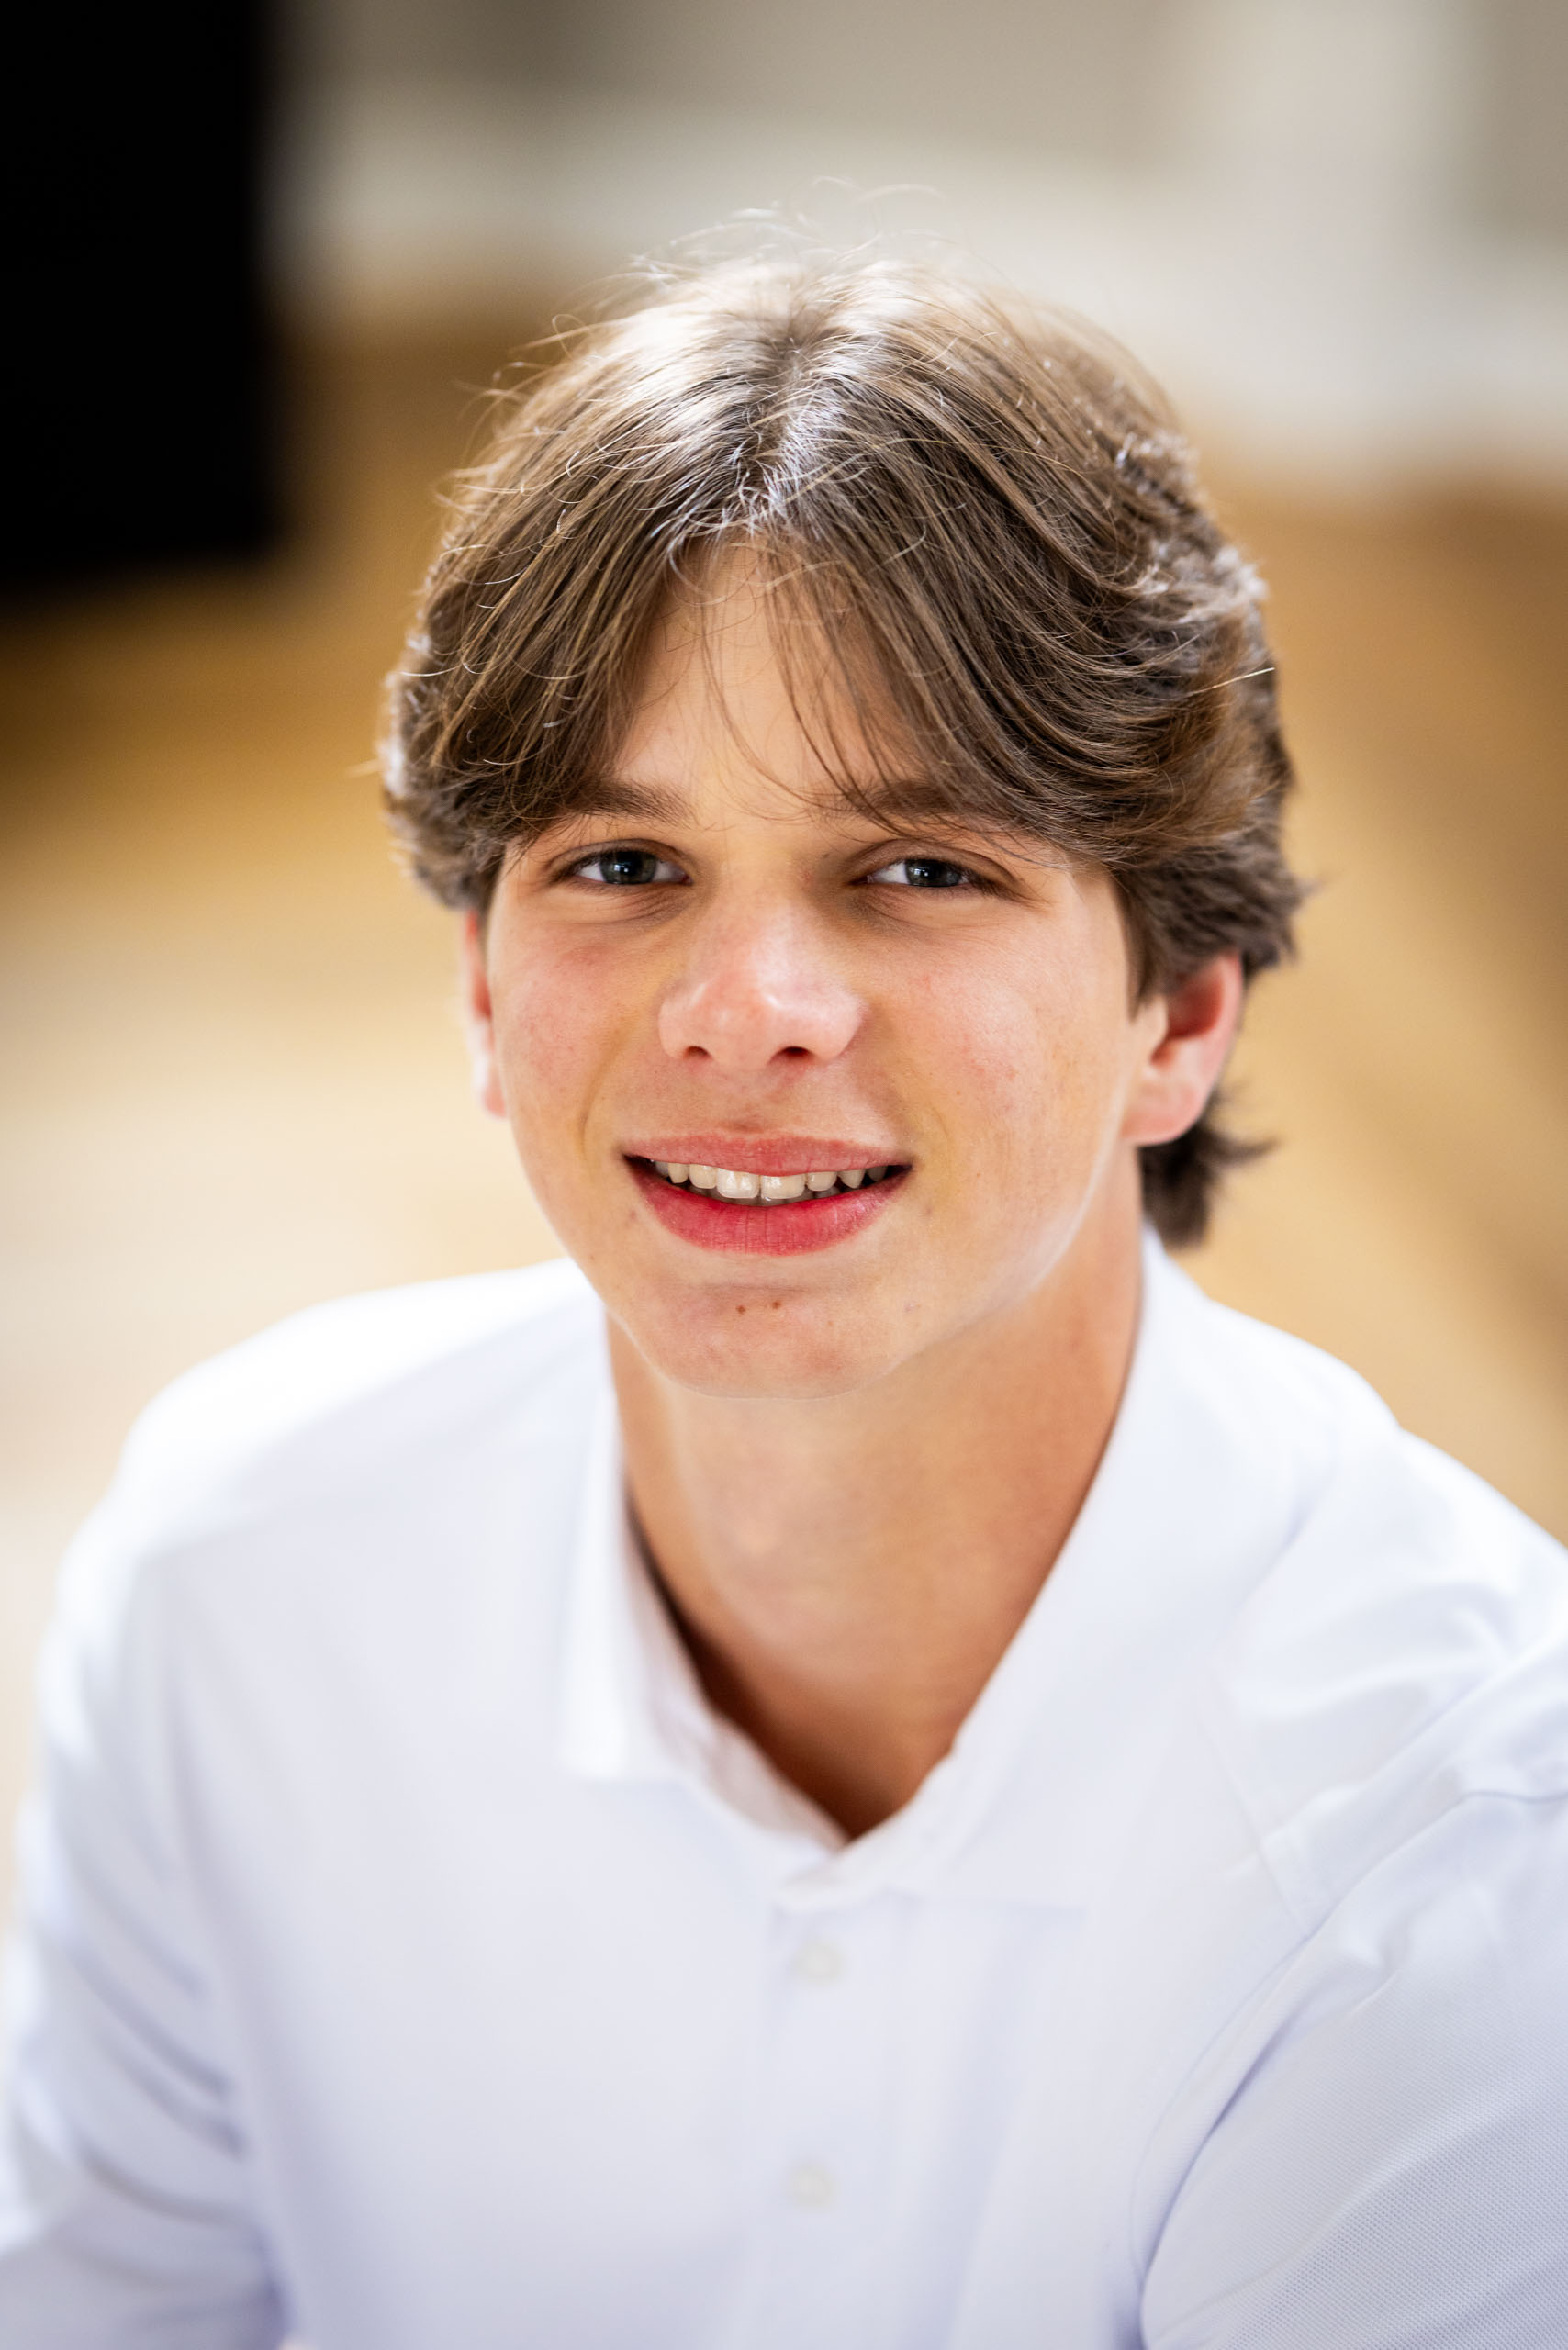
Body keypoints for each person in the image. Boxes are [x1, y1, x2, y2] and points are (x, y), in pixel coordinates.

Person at [2, 252, 1564, 2350]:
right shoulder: (232, 1584)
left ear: (1177, 1011)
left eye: (915, 866)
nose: (746, 1014)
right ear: (481, 986)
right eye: (619, 867)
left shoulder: (1459, 1845)